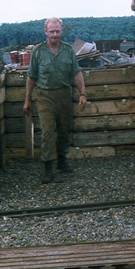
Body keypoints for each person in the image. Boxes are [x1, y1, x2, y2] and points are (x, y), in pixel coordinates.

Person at [23, 18, 87, 184]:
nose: (55, 35)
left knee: (64, 129)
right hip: (44, 96)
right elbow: (31, 76)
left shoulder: (67, 50)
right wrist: (27, 100)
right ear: (45, 32)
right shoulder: (38, 51)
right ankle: (48, 167)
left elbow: (76, 73)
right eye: (51, 31)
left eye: (57, 31)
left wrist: (82, 93)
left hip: (64, 95)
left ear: (61, 31)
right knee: (48, 131)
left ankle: (61, 160)